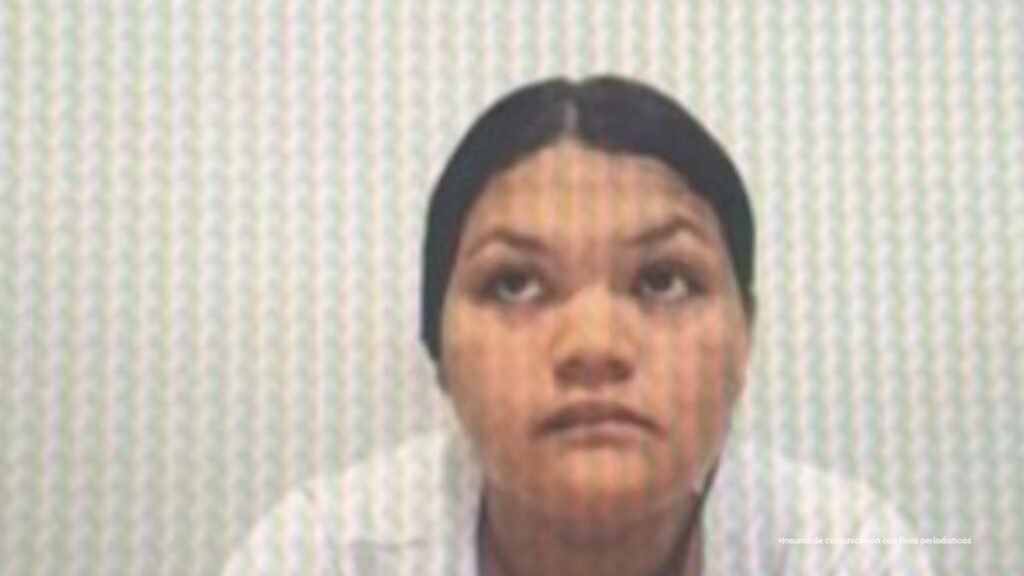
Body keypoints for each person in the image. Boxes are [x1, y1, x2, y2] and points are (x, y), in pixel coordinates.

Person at [221, 76, 936, 576]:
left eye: (664, 280)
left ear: (745, 336)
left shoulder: (840, 551)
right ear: (435, 348)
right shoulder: (326, 554)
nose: (594, 346)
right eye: (514, 284)